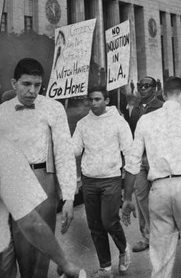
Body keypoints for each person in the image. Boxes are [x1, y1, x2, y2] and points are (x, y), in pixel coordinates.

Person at [0, 63, 80, 278]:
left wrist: (69, 195)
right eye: (26, 84)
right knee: (5, 246)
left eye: (37, 85)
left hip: (41, 179)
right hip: (2, 179)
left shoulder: (54, 108)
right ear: (14, 84)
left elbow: (64, 151)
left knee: (37, 246)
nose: (32, 91)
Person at [122, 76, 181, 278]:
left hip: (159, 189)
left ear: (163, 95)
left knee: (160, 255)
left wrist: (127, 198)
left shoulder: (145, 120)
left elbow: (132, 162)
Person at [73, 86, 132, 278]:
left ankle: (123, 250)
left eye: (97, 99)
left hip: (111, 179)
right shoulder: (82, 124)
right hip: (89, 180)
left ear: (106, 101)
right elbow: (75, 150)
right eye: (90, 99)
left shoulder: (118, 122)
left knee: (109, 221)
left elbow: (129, 150)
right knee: (95, 226)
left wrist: (127, 177)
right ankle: (105, 266)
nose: (93, 103)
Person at [127, 76, 164, 252]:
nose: (142, 88)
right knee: (141, 196)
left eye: (146, 86)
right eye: (140, 85)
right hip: (139, 159)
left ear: (155, 89)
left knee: (160, 197)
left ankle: (165, 233)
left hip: (156, 158)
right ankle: (147, 236)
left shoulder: (161, 107)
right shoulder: (134, 109)